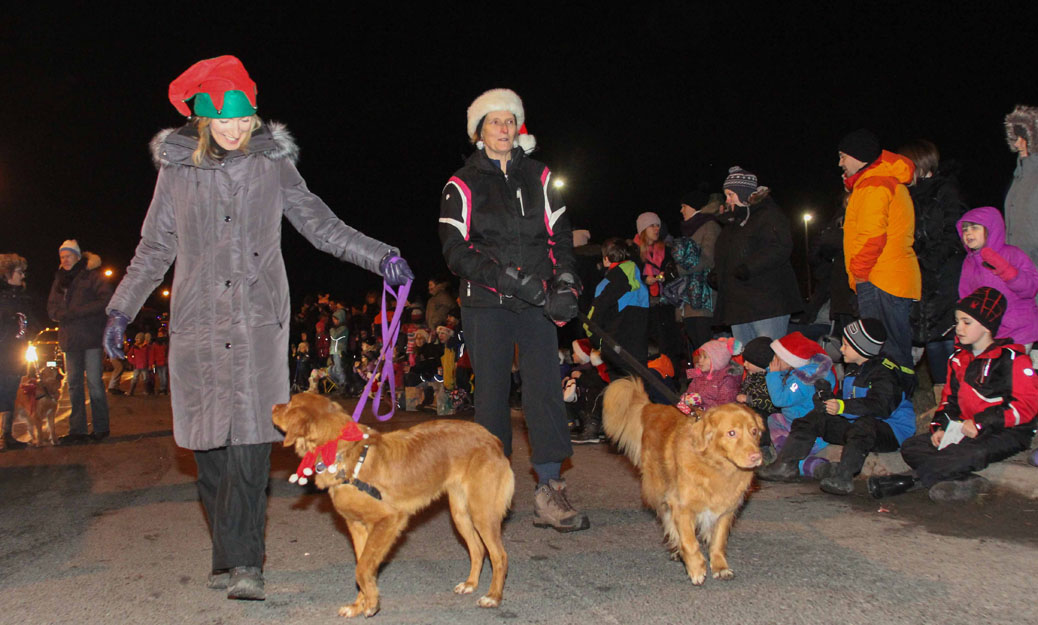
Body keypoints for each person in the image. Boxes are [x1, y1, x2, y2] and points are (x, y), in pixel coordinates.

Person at [101, 56, 413, 601]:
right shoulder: (177, 171)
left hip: (255, 328)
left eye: (244, 120)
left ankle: (246, 562)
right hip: (198, 327)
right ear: (202, 119)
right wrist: (121, 308)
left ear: (255, 117)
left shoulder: (273, 165)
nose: (235, 130)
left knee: (250, 445)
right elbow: (154, 248)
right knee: (209, 456)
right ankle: (228, 555)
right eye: (223, 121)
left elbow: (320, 225)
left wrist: (381, 256)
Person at [438, 87, 587, 532]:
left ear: (518, 127)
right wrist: (509, 279)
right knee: (491, 396)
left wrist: (565, 282)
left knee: (544, 389)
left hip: (538, 300)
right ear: (479, 132)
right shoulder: (461, 183)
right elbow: (455, 252)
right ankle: (489, 489)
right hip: (487, 302)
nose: (503, 129)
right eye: (493, 122)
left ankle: (550, 488)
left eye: (509, 121)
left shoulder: (540, 176)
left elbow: (561, 237)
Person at [870, 287, 1038, 502]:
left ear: (987, 327)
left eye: (967, 322)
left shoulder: (1012, 359)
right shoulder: (958, 359)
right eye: (957, 321)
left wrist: (980, 423)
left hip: (1006, 432)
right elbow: (949, 401)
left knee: (971, 452)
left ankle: (909, 481)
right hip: (965, 429)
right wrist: (940, 428)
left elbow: (1026, 406)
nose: (959, 328)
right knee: (912, 447)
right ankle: (967, 482)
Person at [759, 319, 915, 494]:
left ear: (862, 348)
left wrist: (842, 407)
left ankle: (843, 477)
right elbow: (848, 399)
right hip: (856, 420)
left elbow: (881, 407)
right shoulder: (855, 368)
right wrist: (825, 398)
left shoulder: (885, 372)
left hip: (891, 430)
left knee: (864, 426)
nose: (841, 349)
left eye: (846, 345)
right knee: (815, 417)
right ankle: (786, 464)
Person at [838, 129, 921, 370]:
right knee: (888, 348)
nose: (840, 162)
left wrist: (859, 273)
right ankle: (888, 399)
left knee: (888, 349)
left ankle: (898, 402)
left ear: (858, 156)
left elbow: (872, 235)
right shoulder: (874, 183)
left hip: (881, 280)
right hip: (885, 277)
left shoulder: (874, 185)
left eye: (843, 156)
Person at [898, 139, 967, 405]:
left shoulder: (945, 190)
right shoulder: (905, 194)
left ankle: (951, 401)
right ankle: (936, 402)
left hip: (943, 276)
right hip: (917, 277)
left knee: (944, 335)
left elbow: (954, 232)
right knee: (924, 336)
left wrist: (927, 260)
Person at [712, 166, 803, 345]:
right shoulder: (733, 224)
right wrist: (716, 274)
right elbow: (727, 255)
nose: (728, 199)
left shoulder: (768, 215)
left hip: (767, 302)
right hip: (739, 304)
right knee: (747, 356)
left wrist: (749, 267)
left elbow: (779, 247)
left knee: (767, 353)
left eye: (731, 194)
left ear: (744, 192)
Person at [47, 239, 112, 444]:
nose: (64, 260)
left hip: (90, 337)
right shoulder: (59, 281)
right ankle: (77, 430)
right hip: (69, 338)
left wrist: (76, 312)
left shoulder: (92, 276)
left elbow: (106, 301)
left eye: (68, 256)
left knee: (94, 383)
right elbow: (51, 308)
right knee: (73, 385)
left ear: (77, 256)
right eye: (62, 257)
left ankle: (101, 427)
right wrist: (60, 314)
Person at [956, 206, 1038, 350]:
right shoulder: (969, 262)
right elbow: (966, 295)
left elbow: (1030, 288)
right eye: (965, 230)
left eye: (974, 228)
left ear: (991, 229)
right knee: (986, 371)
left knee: (1010, 371)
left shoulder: (1012, 254)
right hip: (987, 333)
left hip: (1018, 332)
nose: (968, 233)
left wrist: (1008, 271)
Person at [757, 331, 836, 480]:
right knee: (774, 418)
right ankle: (786, 459)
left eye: (777, 357)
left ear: (789, 359)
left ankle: (814, 466)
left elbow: (780, 400)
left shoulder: (803, 380)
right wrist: (773, 372)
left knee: (792, 456)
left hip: (809, 434)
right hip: (796, 424)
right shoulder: (802, 371)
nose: (773, 360)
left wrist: (773, 375)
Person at [671, 190, 721, 353]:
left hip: (703, 297)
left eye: (684, 206)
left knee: (704, 345)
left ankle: (711, 378)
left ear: (693, 207)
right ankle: (699, 378)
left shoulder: (710, 226)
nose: (681, 210)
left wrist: (678, 269)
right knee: (694, 346)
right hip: (688, 298)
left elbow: (708, 258)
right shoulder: (689, 230)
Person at [0, 254, 32, 450]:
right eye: (20, 271)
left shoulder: (20, 296)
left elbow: (29, 321)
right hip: (2, 351)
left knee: (9, 393)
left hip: (14, 353)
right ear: (8, 273)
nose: (23, 275)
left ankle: (6, 435)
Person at [1004, 105, 1038, 267]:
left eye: (1022, 137)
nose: (1018, 144)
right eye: (1015, 137)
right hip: (1017, 264)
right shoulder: (1018, 176)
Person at [680, 338, 742, 412]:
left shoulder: (727, 379)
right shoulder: (700, 374)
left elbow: (725, 405)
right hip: (697, 413)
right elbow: (690, 391)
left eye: (705, 357)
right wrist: (686, 398)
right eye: (700, 356)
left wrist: (702, 403)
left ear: (717, 360)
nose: (700, 360)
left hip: (716, 417)